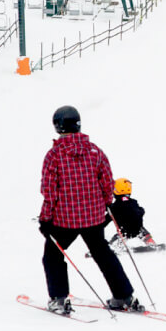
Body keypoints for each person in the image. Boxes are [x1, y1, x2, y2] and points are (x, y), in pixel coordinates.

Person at [38, 105, 143, 315]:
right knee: (103, 253)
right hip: (93, 218)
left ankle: (59, 299)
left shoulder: (55, 155)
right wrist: (103, 203)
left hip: (63, 220)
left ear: (58, 126)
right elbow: (107, 183)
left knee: (53, 254)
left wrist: (45, 219)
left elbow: (49, 191)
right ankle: (123, 296)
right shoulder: (95, 151)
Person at [106, 178, 158, 252]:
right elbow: (140, 211)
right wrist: (141, 211)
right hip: (138, 229)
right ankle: (151, 243)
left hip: (124, 232)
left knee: (118, 238)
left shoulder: (114, 207)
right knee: (144, 233)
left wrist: (99, 226)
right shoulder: (134, 202)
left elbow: (107, 219)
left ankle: (110, 248)